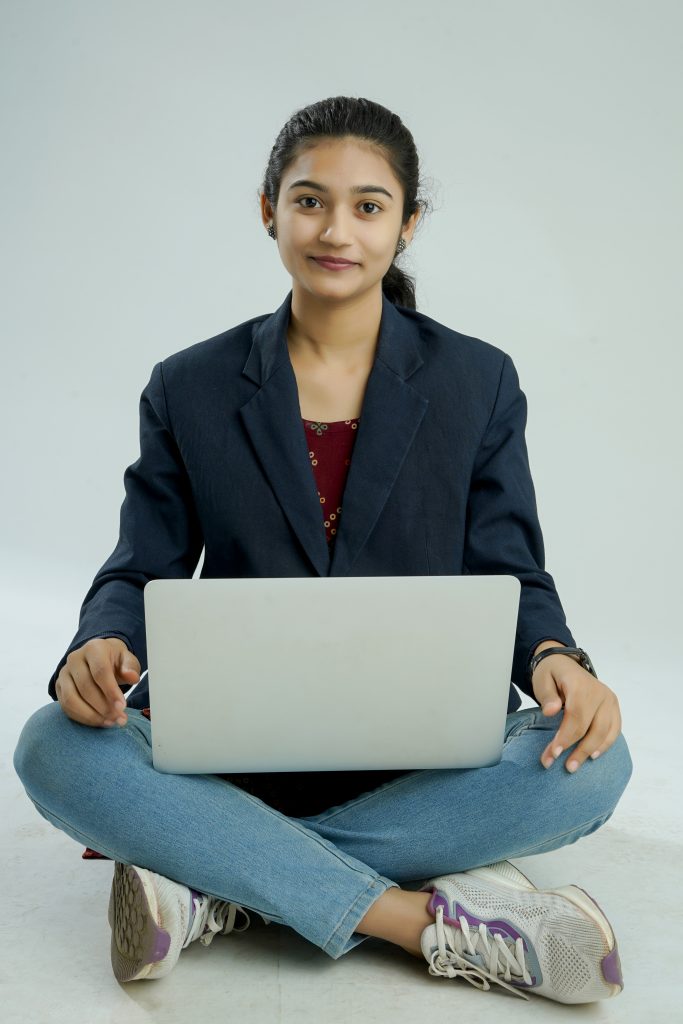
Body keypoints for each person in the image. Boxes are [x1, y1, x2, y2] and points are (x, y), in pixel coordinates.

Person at [13, 95, 632, 1002]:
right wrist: (99, 646)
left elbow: (509, 568)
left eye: (369, 206)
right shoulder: (188, 386)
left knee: (597, 760)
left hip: (421, 758)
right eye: (309, 200)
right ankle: (413, 919)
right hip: (229, 754)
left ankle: (216, 882)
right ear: (268, 208)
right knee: (50, 747)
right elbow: (139, 567)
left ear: (407, 224)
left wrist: (554, 658)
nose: (336, 228)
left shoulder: (477, 381)